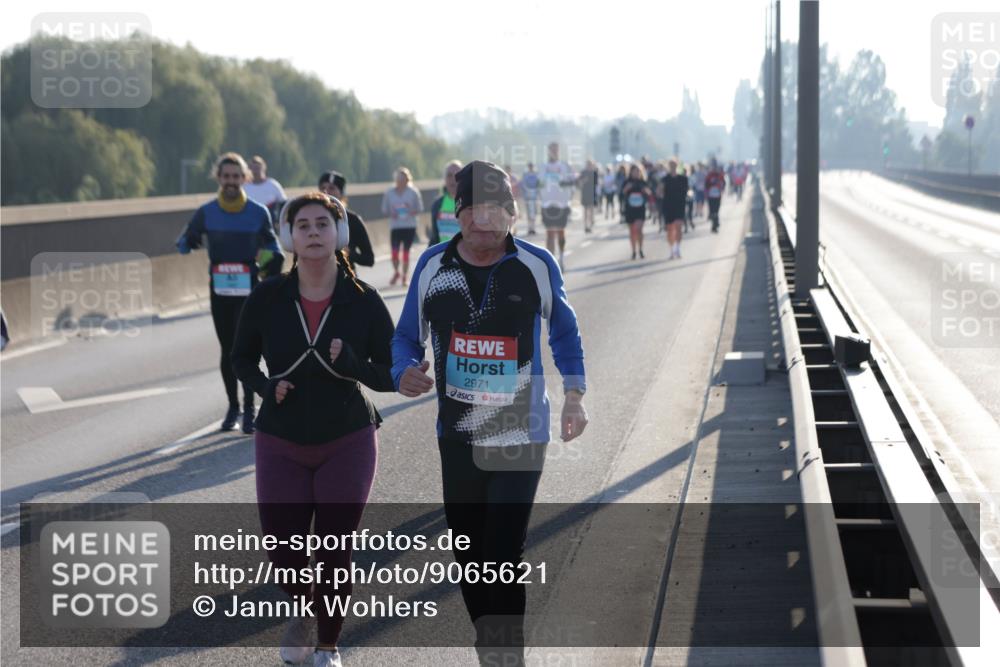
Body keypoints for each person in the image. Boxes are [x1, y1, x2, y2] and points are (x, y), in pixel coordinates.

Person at [391, 161, 588, 665]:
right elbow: (406, 336)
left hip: (521, 427)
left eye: (496, 210)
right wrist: (403, 370)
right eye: (474, 209)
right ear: (458, 215)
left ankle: (506, 654)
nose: (484, 220)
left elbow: (563, 331)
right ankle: (490, 640)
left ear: (512, 215)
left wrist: (574, 393)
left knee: (502, 551)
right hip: (456, 433)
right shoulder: (433, 265)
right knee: (469, 555)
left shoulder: (536, 263)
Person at [232, 192, 396, 667]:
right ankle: (304, 607)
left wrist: (353, 364)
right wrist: (266, 386)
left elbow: (388, 373)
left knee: (333, 548)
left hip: (347, 438)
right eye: (301, 225)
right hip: (280, 440)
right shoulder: (267, 297)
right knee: (283, 552)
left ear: (339, 233)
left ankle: (328, 645)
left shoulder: (363, 301)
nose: (312, 232)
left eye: (323, 223)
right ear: (288, 238)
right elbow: (240, 358)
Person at [176, 152, 284, 433]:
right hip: (220, 289)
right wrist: (186, 242)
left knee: (244, 348)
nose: (231, 182)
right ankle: (232, 407)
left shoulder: (258, 212)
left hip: (249, 288)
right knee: (227, 350)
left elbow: (274, 247)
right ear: (219, 178)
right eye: (226, 177)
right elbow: (187, 238)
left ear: (245, 178)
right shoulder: (207, 211)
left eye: (237, 177)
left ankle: (249, 409)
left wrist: (266, 265)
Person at [318, 170, 375, 272]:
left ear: (341, 193)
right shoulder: (311, 220)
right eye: (322, 188)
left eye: (331, 188)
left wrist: (350, 253)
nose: (326, 192)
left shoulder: (352, 220)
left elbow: (369, 259)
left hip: (346, 278)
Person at [381, 166, 424, 287]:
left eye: (403, 179)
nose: (400, 181)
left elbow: (419, 208)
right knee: (394, 253)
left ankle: (405, 277)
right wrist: (392, 213)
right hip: (395, 226)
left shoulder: (413, 192)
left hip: (409, 225)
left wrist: (411, 212)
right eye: (398, 179)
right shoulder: (389, 193)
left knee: (405, 252)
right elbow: (384, 209)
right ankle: (396, 272)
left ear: (407, 179)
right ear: (395, 179)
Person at [538, 142, 576, 270]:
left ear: (559, 151)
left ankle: (561, 258)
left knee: (560, 232)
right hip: (547, 204)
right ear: (548, 151)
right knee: (549, 233)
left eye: (556, 150)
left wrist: (567, 191)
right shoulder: (543, 166)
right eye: (551, 150)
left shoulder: (564, 166)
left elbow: (571, 182)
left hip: (562, 204)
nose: (554, 152)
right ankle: (551, 262)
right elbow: (539, 183)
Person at [621, 163, 654, 260]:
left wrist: (646, 191)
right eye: (634, 171)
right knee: (632, 231)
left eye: (638, 171)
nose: (636, 173)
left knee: (639, 229)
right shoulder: (627, 182)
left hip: (640, 208)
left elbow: (649, 194)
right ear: (630, 172)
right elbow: (621, 194)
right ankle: (633, 251)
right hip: (630, 209)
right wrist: (626, 189)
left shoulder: (643, 182)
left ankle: (640, 249)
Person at [429, 160, 463, 246]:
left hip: (465, 255)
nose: (453, 179)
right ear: (444, 179)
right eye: (449, 175)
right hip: (442, 255)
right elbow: (434, 236)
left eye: (457, 175)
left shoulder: (471, 204)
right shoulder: (437, 204)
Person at [244, 155, 288, 221]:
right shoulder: (245, 187)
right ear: (249, 170)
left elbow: (284, 204)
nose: (256, 171)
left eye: (258, 168)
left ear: (264, 168)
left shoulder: (273, 184)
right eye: (254, 168)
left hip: (271, 223)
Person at [660, 159, 689, 260]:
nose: (673, 167)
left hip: (679, 205)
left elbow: (687, 191)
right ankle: (672, 249)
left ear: (678, 166)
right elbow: (659, 192)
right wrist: (660, 189)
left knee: (678, 227)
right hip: (668, 206)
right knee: (670, 229)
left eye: (674, 165)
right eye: (671, 165)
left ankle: (677, 248)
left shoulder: (683, 178)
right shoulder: (664, 179)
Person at [577, 159, 599, 233]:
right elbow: (579, 183)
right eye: (588, 164)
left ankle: (591, 222)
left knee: (591, 209)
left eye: (590, 164)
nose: (589, 165)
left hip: (592, 193)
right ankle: (586, 225)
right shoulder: (583, 172)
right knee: (586, 210)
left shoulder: (594, 173)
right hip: (585, 193)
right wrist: (583, 181)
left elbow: (597, 183)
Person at [705, 159, 726, 233]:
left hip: (717, 195)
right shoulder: (709, 175)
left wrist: (721, 188)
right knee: (712, 211)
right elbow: (706, 185)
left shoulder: (720, 175)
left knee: (716, 210)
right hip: (711, 195)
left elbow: (723, 183)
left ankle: (715, 223)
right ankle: (714, 224)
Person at [519, 162, 539, 235]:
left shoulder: (536, 174)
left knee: (533, 213)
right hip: (527, 196)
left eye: (532, 166)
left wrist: (536, 192)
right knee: (529, 213)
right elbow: (522, 184)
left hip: (534, 196)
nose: (531, 168)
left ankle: (533, 228)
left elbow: (538, 184)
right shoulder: (525, 175)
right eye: (530, 166)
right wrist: (526, 191)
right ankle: (529, 228)